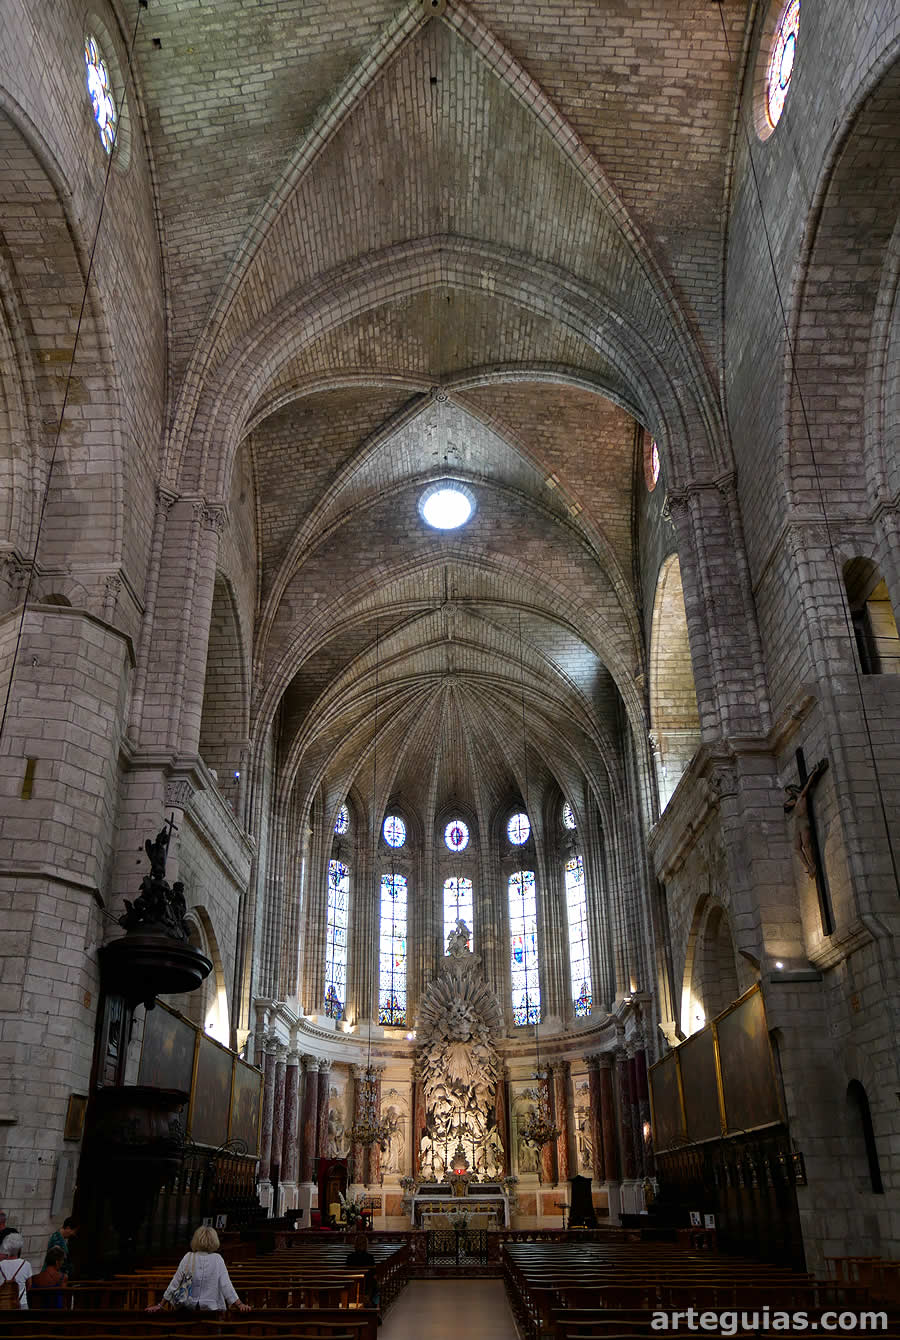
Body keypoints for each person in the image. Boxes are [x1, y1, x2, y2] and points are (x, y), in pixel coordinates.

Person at [146, 1225, 250, 1314]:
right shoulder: (217, 1259)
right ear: (214, 1241)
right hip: (212, 1310)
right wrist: (239, 1304)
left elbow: (175, 1282)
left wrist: (161, 1304)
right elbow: (226, 1285)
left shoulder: (188, 1257)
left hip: (188, 1310)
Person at [345, 1232, 380, 1314]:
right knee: (376, 1285)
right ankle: (374, 1306)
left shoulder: (350, 1258)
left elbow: (346, 1273)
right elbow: (374, 1275)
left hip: (352, 1285)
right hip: (367, 1286)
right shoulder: (370, 1257)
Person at [0, 1233, 32, 1309]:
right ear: (20, 1249)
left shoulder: (0, 1264)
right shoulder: (26, 1264)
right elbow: (29, 1286)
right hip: (21, 1304)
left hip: (2, 1304)